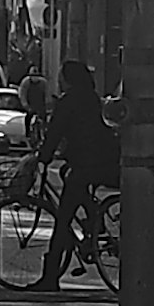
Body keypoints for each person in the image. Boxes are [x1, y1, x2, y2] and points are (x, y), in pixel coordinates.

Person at [37, 47, 118, 291]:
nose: (59, 82)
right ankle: (95, 221)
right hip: (102, 162)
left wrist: (43, 158)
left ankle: (50, 278)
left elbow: (56, 133)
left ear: (68, 80)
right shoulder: (91, 98)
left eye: (61, 78)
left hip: (88, 165)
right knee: (67, 174)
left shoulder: (69, 102)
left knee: (62, 220)